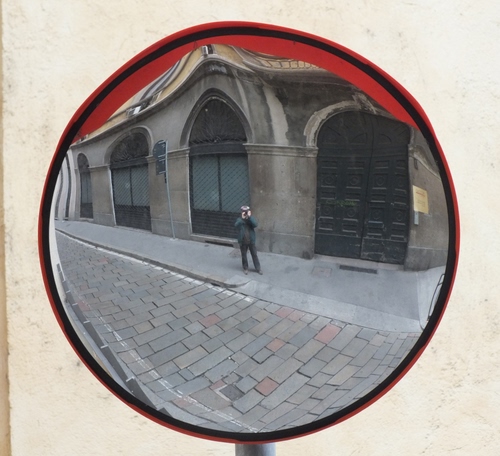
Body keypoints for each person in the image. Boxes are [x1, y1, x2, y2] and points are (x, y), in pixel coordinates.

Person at [235, 205, 263, 275]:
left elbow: (255, 224)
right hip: (243, 241)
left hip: (251, 241)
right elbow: (236, 225)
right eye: (243, 211)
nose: (245, 213)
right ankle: (245, 268)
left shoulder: (251, 219)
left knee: (254, 255)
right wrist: (242, 219)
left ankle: (258, 268)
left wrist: (249, 217)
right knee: (244, 255)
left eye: (246, 211)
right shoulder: (239, 219)